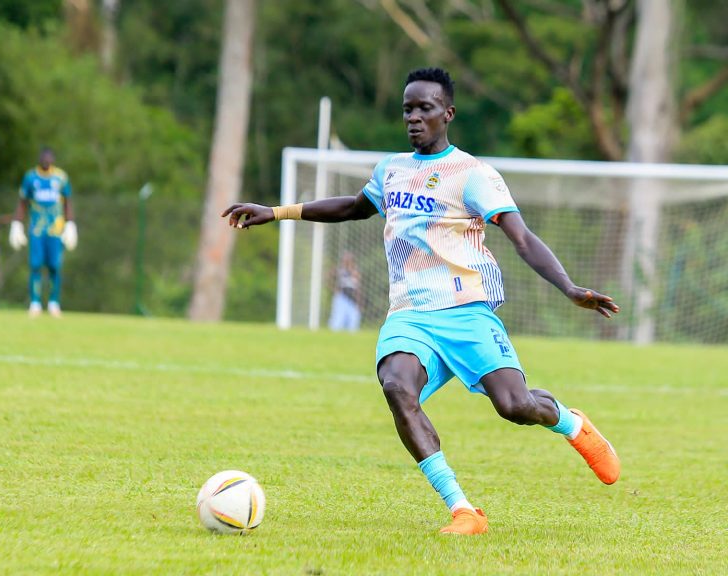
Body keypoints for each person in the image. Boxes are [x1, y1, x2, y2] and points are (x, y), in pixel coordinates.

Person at [223, 68, 621, 535]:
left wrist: (571, 288)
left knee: (515, 406)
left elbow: (522, 238)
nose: (414, 118)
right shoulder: (391, 169)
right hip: (410, 315)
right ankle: (463, 510)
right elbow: (354, 207)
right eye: (407, 109)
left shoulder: (472, 175)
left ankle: (569, 423)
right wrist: (276, 211)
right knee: (396, 386)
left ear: (447, 114)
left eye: (424, 108)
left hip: (468, 311)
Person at [10, 147, 78, 317]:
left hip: (55, 228)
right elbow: (22, 202)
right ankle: (35, 302)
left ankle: (54, 302)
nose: (46, 160)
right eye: (44, 157)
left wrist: (71, 224)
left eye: (49, 158)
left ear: (53, 159)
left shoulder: (61, 177)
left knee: (55, 266)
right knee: (35, 265)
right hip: (37, 228)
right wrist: (17, 223)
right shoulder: (30, 177)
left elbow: (67, 202)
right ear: (40, 159)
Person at [328, 251, 362, 331]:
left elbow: (358, 288)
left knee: (353, 322)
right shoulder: (340, 270)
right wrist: (334, 288)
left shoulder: (355, 272)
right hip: (342, 297)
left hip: (353, 299)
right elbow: (328, 276)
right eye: (345, 260)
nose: (346, 262)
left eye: (348, 260)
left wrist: (359, 302)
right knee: (337, 321)